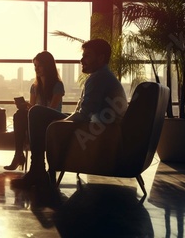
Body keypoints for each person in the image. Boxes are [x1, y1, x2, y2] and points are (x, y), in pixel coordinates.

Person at [11, 39, 128, 189]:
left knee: (36, 112)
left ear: (101, 58)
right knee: (33, 113)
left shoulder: (99, 78)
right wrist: (65, 119)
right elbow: (84, 112)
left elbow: (84, 114)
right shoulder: (102, 77)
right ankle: (35, 167)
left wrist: (61, 123)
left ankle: (37, 170)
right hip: (96, 126)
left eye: (87, 56)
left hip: (91, 128)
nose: (82, 60)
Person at [4, 51, 65, 171]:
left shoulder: (57, 85)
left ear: (47, 66)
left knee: (24, 115)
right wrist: (25, 106)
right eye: (35, 66)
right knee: (19, 115)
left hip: (52, 121)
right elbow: (33, 108)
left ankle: (20, 157)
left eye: (40, 65)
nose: (37, 69)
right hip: (36, 120)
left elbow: (51, 110)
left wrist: (32, 107)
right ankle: (18, 154)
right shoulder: (34, 86)